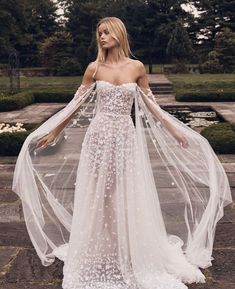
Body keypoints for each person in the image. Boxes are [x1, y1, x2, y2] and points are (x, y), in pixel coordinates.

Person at [12, 17, 232, 289]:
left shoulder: (136, 67)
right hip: (98, 137)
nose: (101, 37)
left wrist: (176, 132)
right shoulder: (94, 68)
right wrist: (55, 131)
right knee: (99, 191)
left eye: (106, 32)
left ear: (118, 33)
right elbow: (75, 104)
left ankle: (128, 243)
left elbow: (151, 105)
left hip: (125, 137)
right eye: (99, 33)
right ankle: (105, 243)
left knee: (125, 190)